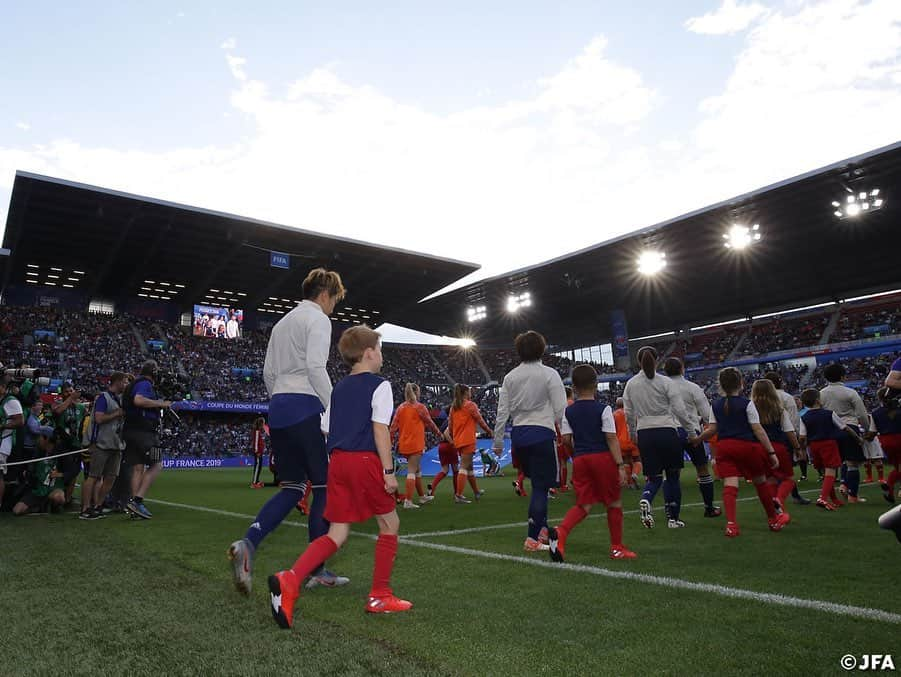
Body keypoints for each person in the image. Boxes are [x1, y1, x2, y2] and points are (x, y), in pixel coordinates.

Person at [267, 325, 411, 628]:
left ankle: (290, 579)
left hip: (338, 463)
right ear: (370, 352)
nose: (382, 356)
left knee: (337, 533)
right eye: (380, 350)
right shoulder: (380, 385)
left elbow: (326, 427)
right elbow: (380, 429)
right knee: (390, 523)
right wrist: (388, 472)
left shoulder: (340, 387)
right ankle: (380, 595)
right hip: (365, 461)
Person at [229, 268, 348, 595]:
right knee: (323, 487)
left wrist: (281, 400)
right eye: (335, 299)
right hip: (305, 405)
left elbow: (268, 373)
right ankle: (318, 569)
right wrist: (334, 407)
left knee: (293, 488)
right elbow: (314, 367)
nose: (334, 306)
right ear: (325, 294)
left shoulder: (282, 323)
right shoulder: (319, 320)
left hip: (279, 408)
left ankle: (248, 543)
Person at [549, 364, 636, 562]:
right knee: (614, 502)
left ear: (575, 387)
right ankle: (617, 548)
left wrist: (575, 456)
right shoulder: (603, 409)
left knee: (584, 504)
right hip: (602, 458)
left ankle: (561, 532)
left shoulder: (568, 412)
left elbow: (566, 440)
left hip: (580, 459)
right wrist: (620, 465)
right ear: (596, 385)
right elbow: (611, 438)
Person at [492, 331, 566, 552]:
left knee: (537, 485)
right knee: (541, 488)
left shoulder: (510, 377)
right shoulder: (549, 374)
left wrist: (497, 441)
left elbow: (502, 411)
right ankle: (533, 538)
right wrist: (568, 434)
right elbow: (561, 409)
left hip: (520, 434)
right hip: (542, 432)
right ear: (541, 349)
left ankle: (541, 531)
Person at [695, 368, 790, 537]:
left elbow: (712, 429)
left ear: (721, 385)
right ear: (741, 383)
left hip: (724, 447)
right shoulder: (747, 403)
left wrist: (697, 439)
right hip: (747, 446)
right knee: (760, 482)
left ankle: (731, 525)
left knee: (730, 485)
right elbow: (758, 429)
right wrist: (770, 452)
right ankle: (772, 519)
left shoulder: (715, 405)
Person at [623, 346, 696, 529]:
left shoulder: (631, 384)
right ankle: (673, 519)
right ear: (658, 360)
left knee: (654, 478)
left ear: (638, 362)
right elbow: (680, 410)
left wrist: (633, 434)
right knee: (672, 476)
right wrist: (691, 432)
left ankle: (646, 497)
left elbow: (629, 413)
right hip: (666, 430)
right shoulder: (666, 382)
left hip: (645, 432)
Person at [662, 357, 721, 518]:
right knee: (702, 469)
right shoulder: (692, 387)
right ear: (682, 369)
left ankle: (671, 512)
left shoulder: (661, 388)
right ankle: (709, 507)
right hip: (691, 432)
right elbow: (707, 415)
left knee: (671, 473)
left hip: (670, 432)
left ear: (665, 371)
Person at [122, 360, 172, 519]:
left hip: (131, 431)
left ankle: (133, 507)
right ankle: (137, 500)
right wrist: (160, 403)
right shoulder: (144, 384)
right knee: (157, 464)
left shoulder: (134, 384)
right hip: (145, 432)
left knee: (138, 468)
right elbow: (138, 400)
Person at [798, 388, 863, 510]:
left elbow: (802, 436)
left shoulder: (804, 417)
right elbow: (845, 428)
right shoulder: (829, 413)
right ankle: (822, 498)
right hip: (828, 443)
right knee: (831, 471)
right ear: (818, 400)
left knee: (825, 473)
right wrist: (857, 438)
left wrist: (801, 449)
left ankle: (834, 499)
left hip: (813, 446)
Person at [80, 372, 128, 520]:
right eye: (125, 382)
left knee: (110, 478)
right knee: (93, 476)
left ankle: (98, 505)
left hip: (116, 444)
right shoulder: (103, 398)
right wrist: (117, 413)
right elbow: (99, 419)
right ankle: (85, 508)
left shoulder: (120, 399)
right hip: (102, 443)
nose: (126, 385)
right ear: (118, 382)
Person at [819, 363, 869, 502]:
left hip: (831, 430)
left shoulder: (821, 394)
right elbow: (862, 414)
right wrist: (868, 430)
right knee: (852, 463)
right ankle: (853, 495)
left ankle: (842, 485)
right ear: (843, 376)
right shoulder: (850, 392)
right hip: (849, 427)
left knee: (835, 463)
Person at [750, 379, 801, 515]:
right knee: (788, 479)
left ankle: (777, 510)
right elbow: (789, 431)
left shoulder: (750, 409)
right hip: (778, 446)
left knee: (770, 479)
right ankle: (778, 500)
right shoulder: (779, 410)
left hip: (759, 448)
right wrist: (797, 447)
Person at [390, 383, 442, 509]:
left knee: (417, 469)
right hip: (415, 443)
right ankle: (408, 500)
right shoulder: (420, 407)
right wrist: (439, 433)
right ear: (416, 392)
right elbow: (430, 423)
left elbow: (393, 427)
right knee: (412, 471)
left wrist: (390, 440)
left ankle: (422, 496)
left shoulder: (401, 408)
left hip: (404, 444)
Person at [764, 371, 810, 505]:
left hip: (765, 436)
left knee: (772, 470)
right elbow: (793, 420)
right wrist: (796, 441)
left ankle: (774, 497)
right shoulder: (786, 397)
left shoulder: (760, 399)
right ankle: (790, 496)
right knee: (786, 469)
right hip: (783, 435)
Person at [448, 384, 493, 504]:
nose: (471, 393)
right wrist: (489, 431)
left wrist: (454, 436)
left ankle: (476, 491)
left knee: (469, 467)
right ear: (466, 393)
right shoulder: (470, 405)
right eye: (469, 392)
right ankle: (458, 495)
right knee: (464, 466)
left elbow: (450, 425)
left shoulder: (454, 407)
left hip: (458, 440)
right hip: (468, 440)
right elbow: (480, 421)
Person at [12, 426, 65, 515]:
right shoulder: (35, 452)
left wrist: (60, 474)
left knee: (58, 498)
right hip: (37, 490)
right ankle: (38, 508)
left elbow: (71, 470)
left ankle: (53, 506)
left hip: (53, 488)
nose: (37, 439)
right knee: (17, 510)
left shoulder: (60, 452)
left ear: (46, 438)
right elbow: (29, 473)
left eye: (39, 436)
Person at [51, 381, 86, 506]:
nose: (70, 393)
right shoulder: (57, 404)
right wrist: (71, 398)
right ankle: (57, 496)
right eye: (67, 391)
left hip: (76, 444)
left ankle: (68, 499)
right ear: (62, 394)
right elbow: (57, 412)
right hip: (62, 444)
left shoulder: (80, 407)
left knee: (74, 473)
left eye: (71, 391)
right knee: (61, 471)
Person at [0, 376, 25, 510]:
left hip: (2, 443)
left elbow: (20, 421)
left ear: (3, 388)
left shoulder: (10, 401)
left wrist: (2, 425)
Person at [873, 387, 901, 504]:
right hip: (899, 437)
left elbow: (872, 431)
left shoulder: (875, 413)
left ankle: (890, 493)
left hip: (885, 441)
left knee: (897, 467)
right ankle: (889, 484)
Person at [613, 398, 641, 489]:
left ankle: (630, 483)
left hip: (620, 442)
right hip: (632, 439)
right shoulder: (632, 413)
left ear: (617, 405)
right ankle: (635, 474)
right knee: (637, 459)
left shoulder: (614, 414)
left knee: (625, 461)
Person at [250, 417, 267, 489]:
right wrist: (257, 451)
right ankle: (254, 483)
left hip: (259, 452)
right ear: (261, 423)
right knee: (257, 467)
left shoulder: (258, 431)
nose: (264, 424)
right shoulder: (257, 431)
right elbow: (256, 442)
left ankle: (256, 481)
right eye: (263, 423)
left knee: (258, 467)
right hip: (258, 452)